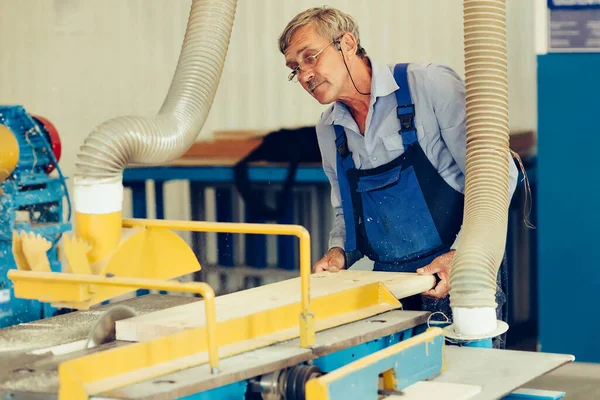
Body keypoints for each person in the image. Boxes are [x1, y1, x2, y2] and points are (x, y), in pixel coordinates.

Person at [278, 6, 518, 341]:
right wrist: (339, 252)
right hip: (392, 286)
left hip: (461, 275)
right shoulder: (329, 130)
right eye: (295, 68)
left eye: (310, 57)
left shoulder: (427, 86)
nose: (305, 75)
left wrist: (460, 257)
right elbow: (346, 211)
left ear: (346, 43)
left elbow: (498, 173)